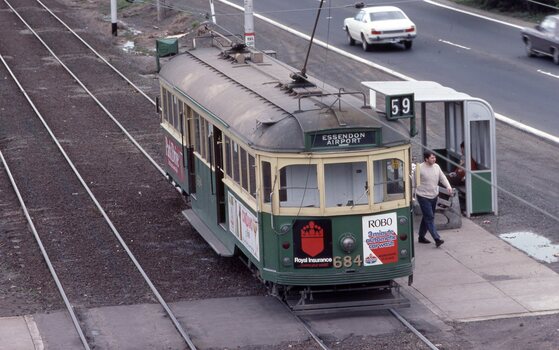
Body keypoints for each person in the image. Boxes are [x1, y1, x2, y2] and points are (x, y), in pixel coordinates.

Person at [416, 151, 453, 247]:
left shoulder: (437, 167)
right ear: (426, 159)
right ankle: (437, 238)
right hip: (423, 196)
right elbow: (413, 182)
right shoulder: (419, 168)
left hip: (434, 195)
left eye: (434, 158)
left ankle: (421, 237)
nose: (434, 159)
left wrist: (448, 187)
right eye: (432, 158)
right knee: (430, 217)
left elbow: (442, 177)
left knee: (427, 216)